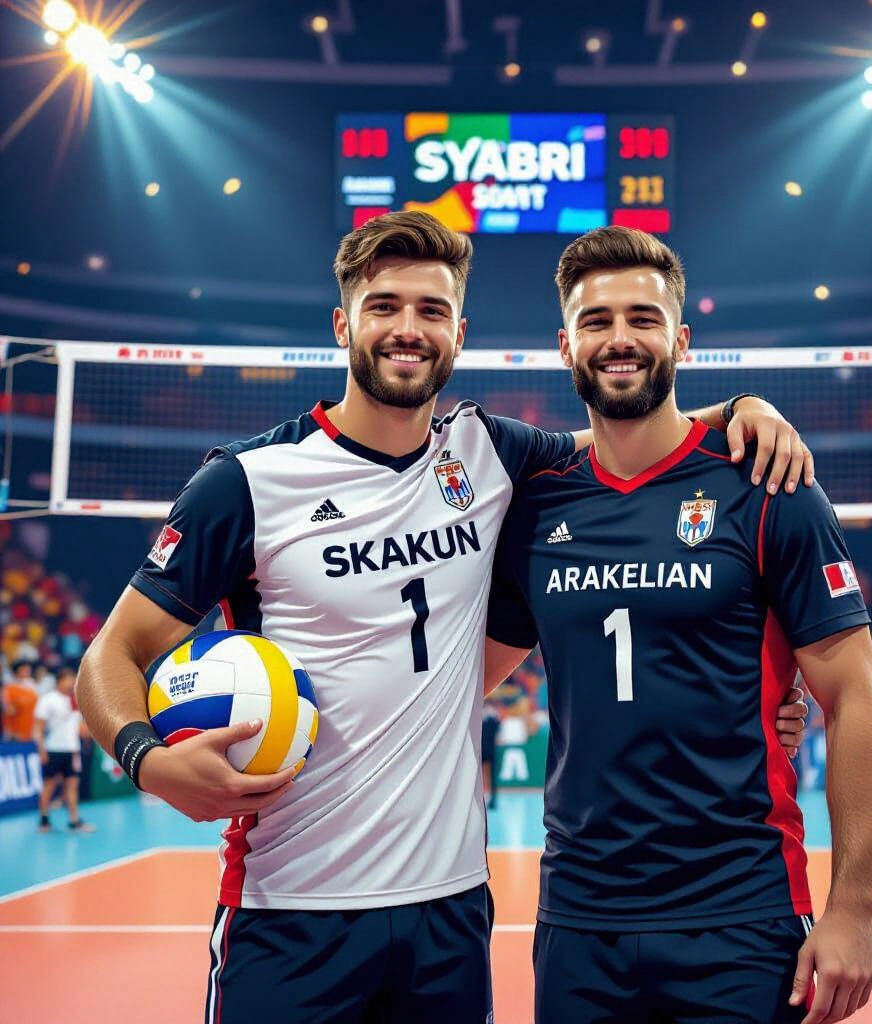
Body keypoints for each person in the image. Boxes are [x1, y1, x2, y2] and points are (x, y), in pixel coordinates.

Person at [76, 211, 813, 1024]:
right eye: (384, 305)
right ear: (343, 323)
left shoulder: (490, 454)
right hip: (288, 905)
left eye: (431, 310)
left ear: (457, 331)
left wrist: (743, 408)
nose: (406, 329)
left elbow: (628, 425)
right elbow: (110, 658)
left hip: (450, 912)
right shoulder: (250, 481)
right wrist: (146, 760)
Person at [484, 226, 872, 1024]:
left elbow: (856, 698)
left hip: (740, 913)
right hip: (580, 918)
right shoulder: (535, 503)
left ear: (682, 337)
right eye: (597, 322)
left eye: (643, 317)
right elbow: (458, 683)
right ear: (566, 344)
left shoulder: (768, 485)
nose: (621, 338)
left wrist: (853, 910)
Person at [34, 666, 95, 833]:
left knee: (72, 786)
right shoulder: (47, 700)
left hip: (72, 750)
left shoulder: (75, 700)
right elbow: (38, 729)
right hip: (53, 749)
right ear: (59, 681)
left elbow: (80, 727)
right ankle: (44, 820)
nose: (71, 683)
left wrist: (87, 733)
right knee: (49, 786)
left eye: (73, 680)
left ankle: (74, 822)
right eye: (68, 680)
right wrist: (41, 750)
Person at [3, 659, 38, 742]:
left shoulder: (34, 687)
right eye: (23, 670)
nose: (27, 672)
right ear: (16, 672)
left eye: (28, 669)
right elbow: (9, 711)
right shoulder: (10, 689)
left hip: (31, 731)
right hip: (16, 733)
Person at [481, 698, 501, 810]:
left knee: (484, 776)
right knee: (490, 777)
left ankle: (490, 800)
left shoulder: (487, 717)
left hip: (484, 750)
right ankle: (492, 800)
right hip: (489, 750)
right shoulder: (492, 718)